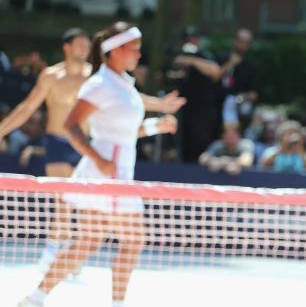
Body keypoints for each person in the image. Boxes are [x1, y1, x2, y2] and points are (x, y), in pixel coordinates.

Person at [18, 22, 178, 307]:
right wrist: (100, 160)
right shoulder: (100, 83)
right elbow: (72, 126)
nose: (139, 55)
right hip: (109, 175)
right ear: (116, 51)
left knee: (87, 242)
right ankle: (114, 303)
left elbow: (125, 130)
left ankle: (35, 298)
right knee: (132, 240)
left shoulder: (122, 83)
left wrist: (156, 126)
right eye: (135, 49)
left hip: (115, 171)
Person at [168, 26, 221, 162]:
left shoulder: (203, 56)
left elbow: (215, 71)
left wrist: (190, 60)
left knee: (201, 146)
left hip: (203, 111)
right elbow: (165, 74)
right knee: (184, 146)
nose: (190, 42)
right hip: (184, 110)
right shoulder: (178, 55)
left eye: (193, 39)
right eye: (187, 39)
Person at [216, 28, 259, 128]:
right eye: (241, 41)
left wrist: (242, 97)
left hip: (237, 109)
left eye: (247, 42)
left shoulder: (250, 67)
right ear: (235, 41)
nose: (243, 45)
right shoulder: (221, 58)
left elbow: (254, 94)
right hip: (216, 106)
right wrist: (230, 64)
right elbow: (214, 77)